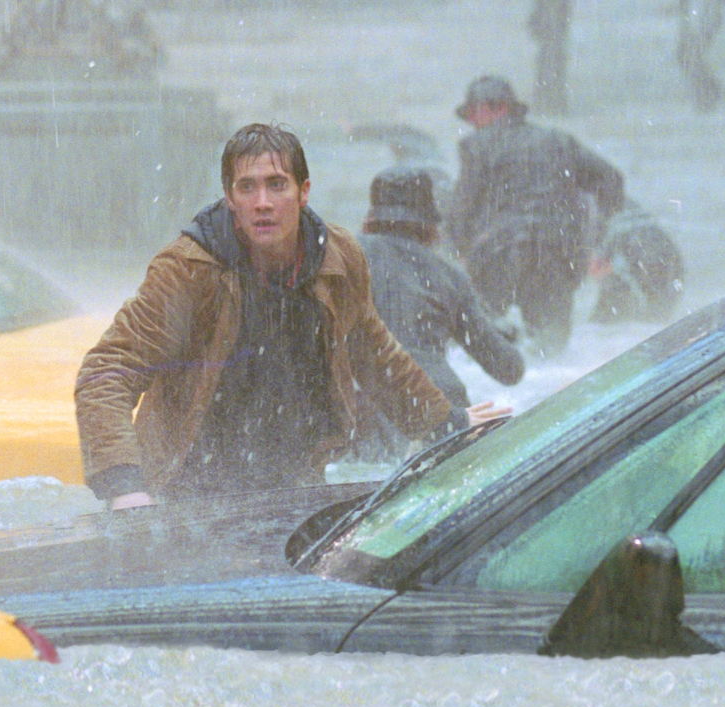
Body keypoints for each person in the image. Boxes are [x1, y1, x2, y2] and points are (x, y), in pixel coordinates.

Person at [75, 123, 510, 509]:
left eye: (277, 185)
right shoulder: (189, 271)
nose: (262, 202)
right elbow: (107, 370)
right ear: (230, 199)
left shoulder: (339, 259)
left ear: (303, 192)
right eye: (247, 187)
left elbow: (376, 355)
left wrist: (447, 423)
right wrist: (124, 486)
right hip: (184, 491)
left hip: (292, 485)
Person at [355, 164, 525, 459]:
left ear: (370, 217)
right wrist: (507, 334)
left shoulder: (346, 255)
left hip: (365, 410)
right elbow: (509, 369)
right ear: (432, 223)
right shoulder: (449, 275)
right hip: (444, 409)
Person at [447, 75, 624, 356]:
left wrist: (456, 249)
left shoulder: (478, 145)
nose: (470, 122)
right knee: (550, 347)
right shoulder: (558, 141)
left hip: (497, 251)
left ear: (497, 108)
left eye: (472, 113)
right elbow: (611, 180)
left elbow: (462, 205)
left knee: (479, 341)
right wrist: (600, 241)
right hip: (555, 251)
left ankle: (500, 391)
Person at [587, 198, 685, 324]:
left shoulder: (592, 217)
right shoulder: (617, 202)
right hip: (671, 261)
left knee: (609, 324)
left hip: (642, 261)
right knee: (657, 322)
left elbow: (598, 265)